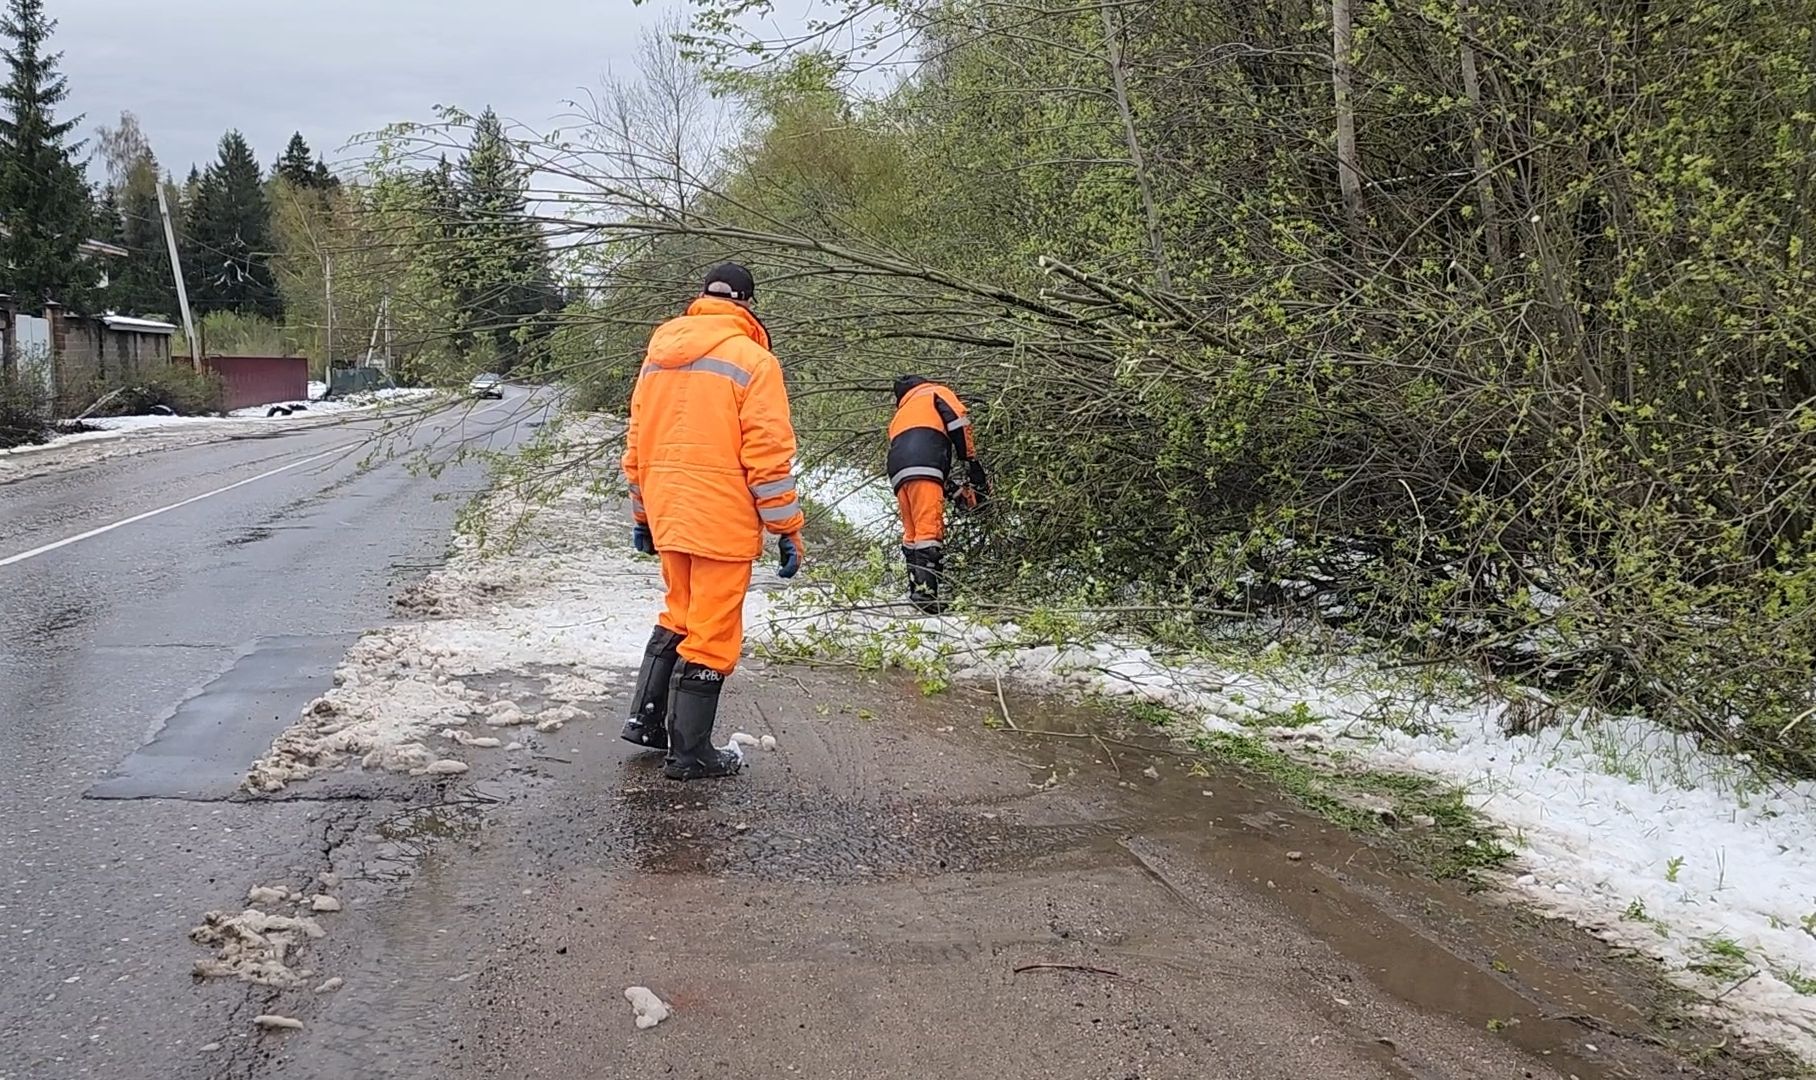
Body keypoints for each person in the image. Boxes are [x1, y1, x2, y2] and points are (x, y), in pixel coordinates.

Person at [619, 263, 805, 781]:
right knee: (713, 632)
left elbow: (636, 444)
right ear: (747, 304)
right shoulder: (753, 360)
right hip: (721, 515)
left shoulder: (657, 357)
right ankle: (691, 753)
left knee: (679, 614)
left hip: (669, 509)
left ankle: (648, 724)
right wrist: (785, 527)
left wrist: (643, 513)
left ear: (700, 298)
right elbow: (767, 457)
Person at [886, 374, 987, 614]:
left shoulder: (901, 414)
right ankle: (927, 597)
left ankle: (916, 592)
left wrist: (952, 491)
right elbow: (958, 421)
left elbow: (918, 459)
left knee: (913, 533)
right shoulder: (934, 392)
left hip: (898, 473)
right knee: (929, 532)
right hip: (926, 467)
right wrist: (970, 460)